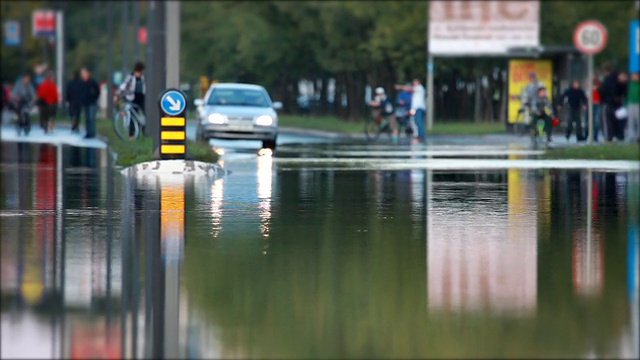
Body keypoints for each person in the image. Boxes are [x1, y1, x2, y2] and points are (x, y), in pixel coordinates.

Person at [117, 61, 146, 138]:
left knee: (145, 114)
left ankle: (144, 131)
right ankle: (132, 135)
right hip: (132, 98)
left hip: (142, 98)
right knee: (132, 116)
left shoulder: (143, 78)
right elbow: (123, 86)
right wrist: (119, 93)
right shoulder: (130, 77)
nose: (138, 73)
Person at [396, 78, 426, 143]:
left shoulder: (419, 88)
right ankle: (418, 134)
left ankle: (421, 135)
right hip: (415, 108)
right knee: (415, 121)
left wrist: (400, 87)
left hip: (419, 107)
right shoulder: (416, 90)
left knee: (419, 121)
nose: (414, 84)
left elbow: (410, 88)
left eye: (415, 82)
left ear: (418, 82)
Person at [79, 67, 100, 139]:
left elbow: (97, 91)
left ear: (88, 73)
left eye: (84, 73)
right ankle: (88, 133)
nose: (83, 75)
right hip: (85, 103)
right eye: (82, 73)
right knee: (87, 118)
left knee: (91, 118)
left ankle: (92, 133)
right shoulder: (82, 83)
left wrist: (94, 98)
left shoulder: (92, 82)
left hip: (92, 103)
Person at [626, 72, 639, 143]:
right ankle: (632, 136)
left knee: (638, 120)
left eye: (635, 76)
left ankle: (638, 136)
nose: (634, 77)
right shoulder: (630, 84)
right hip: (631, 103)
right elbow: (628, 94)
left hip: (638, 103)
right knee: (631, 120)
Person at [591, 76, 602, 142]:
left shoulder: (600, 85)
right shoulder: (588, 84)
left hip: (597, 103)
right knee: (590, 121)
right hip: (590, 103)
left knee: (596, 121)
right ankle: (589, 135)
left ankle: (595, 136)